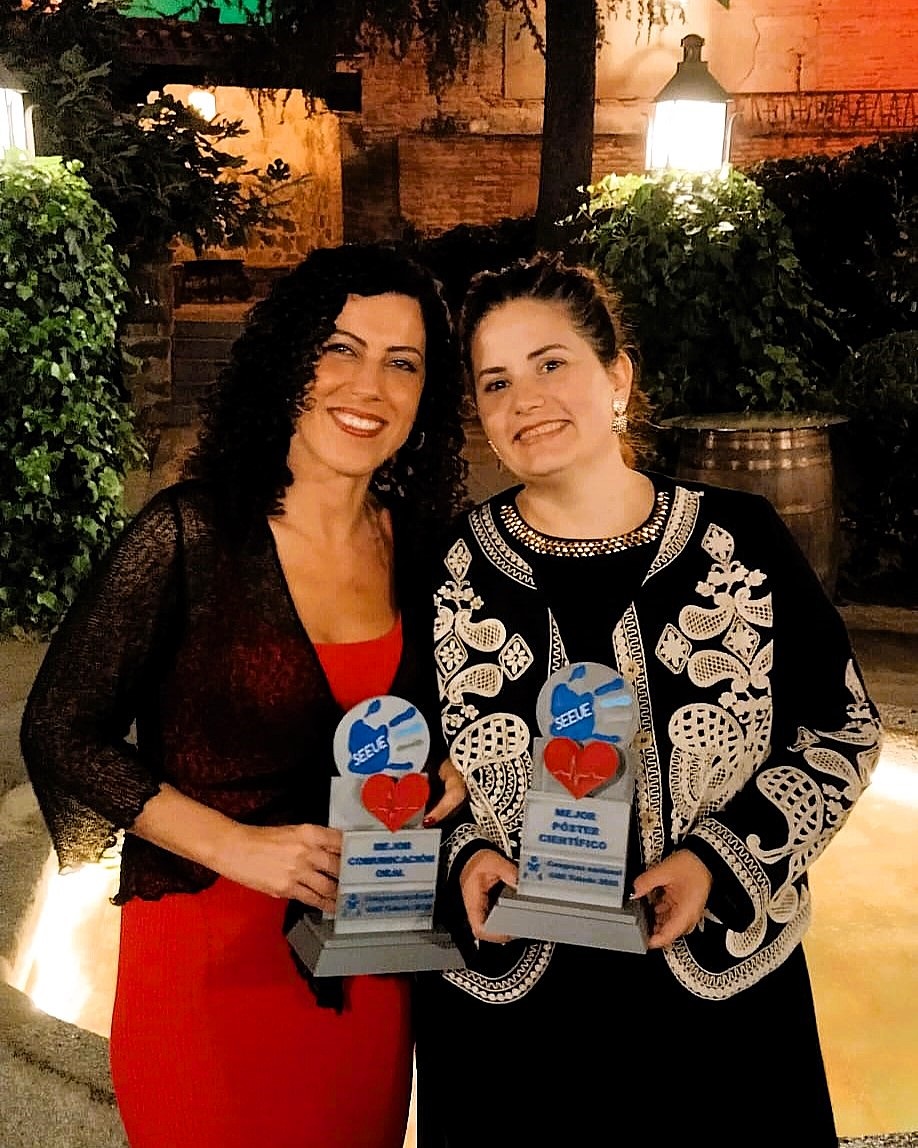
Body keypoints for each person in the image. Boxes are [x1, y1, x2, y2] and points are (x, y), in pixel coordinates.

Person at [414, 253, 882, 1148]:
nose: (525, 401)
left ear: (618, 377)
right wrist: (465, 854)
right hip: (510, 1019)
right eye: (496, 382)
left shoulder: (741, 540)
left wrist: (718, 860)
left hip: (719, 1004)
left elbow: (843, 729)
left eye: (551, 364)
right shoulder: (451, 567)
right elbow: (407, 763)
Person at [21, 243, 469, 1148]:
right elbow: (62, 730)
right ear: (287, 360)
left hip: (368, 971)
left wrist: (461, 764)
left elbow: (456, 709)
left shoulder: (427, 550)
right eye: (339, 349)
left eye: (403, 362)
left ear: (427, 396)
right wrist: (237, 848)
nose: (368, 386)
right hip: (205, 972)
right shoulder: (190, 535)